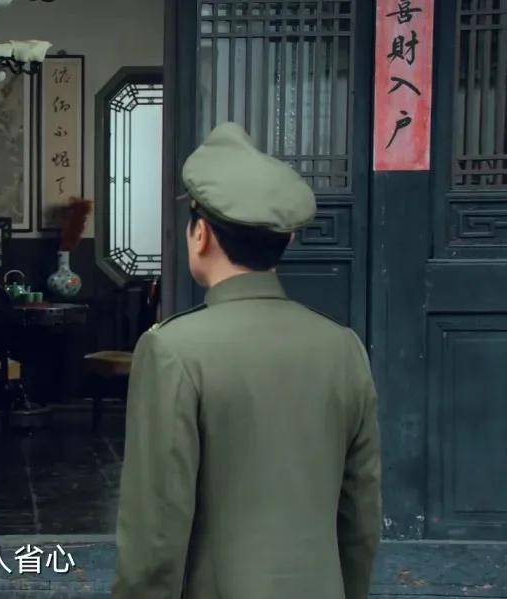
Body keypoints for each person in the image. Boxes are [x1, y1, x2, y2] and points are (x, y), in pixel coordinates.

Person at [113, 122, 382, 599]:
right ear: (287, 241)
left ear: (199, 235)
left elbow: (156, 535)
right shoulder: (343, 347)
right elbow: (361, 518)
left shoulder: (173, 350)